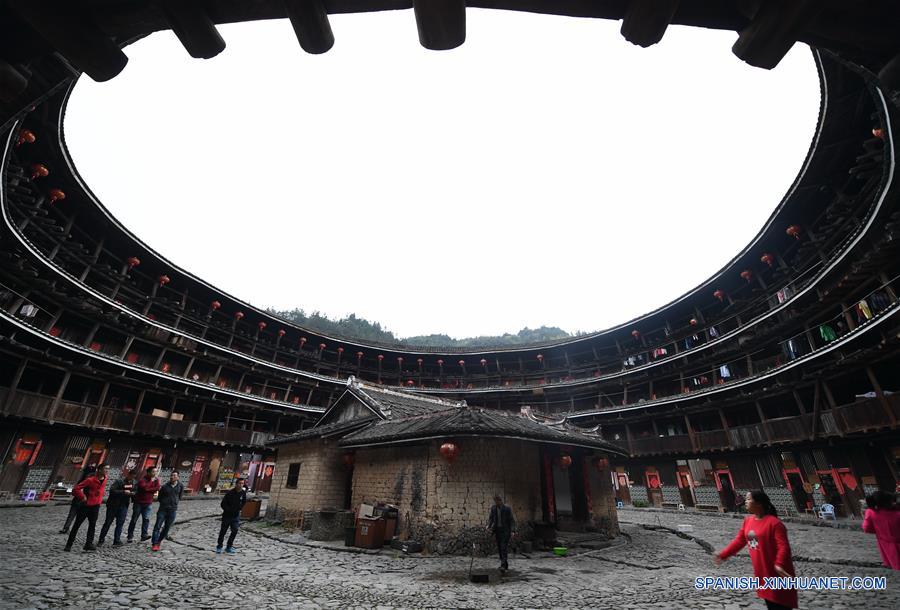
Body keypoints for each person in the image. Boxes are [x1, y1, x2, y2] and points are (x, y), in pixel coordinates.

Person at [715, 490, 797, 610]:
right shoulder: (748, 521)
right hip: (762, 573)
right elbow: (739, 541)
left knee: (780, 605)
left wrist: (779, 564)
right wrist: (723, 555)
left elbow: (783, 546)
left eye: (748, 499)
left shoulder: (774, 524)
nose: (745, 502)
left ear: (759, 503)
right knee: (770, 603)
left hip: (777, 574)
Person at [64, 464, 109, 552]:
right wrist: (83, 497)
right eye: (105, 469)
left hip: (96, 506)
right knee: (77, 525)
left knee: (92, 526)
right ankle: (69, 544)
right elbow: (76, 489)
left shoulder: (105, 478)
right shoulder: (90, 480)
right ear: (99, 470)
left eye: (108, 469)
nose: (107, 470)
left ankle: (88, 543)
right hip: (86, 505)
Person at [97, 469, 137, 547]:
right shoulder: (119, 481)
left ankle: (117, 540)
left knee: (120, 524)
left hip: (124, 506)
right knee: (108, 522)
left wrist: (133, 494)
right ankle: (101, 539)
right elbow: (112, 490)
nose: (132, 479)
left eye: (133, 478)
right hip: (113, 505)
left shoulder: (134, 483)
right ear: (128, 475)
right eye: (131, 477)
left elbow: (135, 491)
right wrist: (123, 492)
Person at [862, 491, 900, 570]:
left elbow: (866, 528)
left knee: (895, 564)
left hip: (885, 543)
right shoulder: (897, 514)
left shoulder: (870, 513)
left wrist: (879, 532)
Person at [151, 471, 184, 551]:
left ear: (178, 477)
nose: (172, 477)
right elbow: (160, 497)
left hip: (172, 510)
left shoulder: (180, 486)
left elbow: (180, 496)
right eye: (171, 475)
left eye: (174, 475)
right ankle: (154, 543)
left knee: (167, 527)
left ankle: (159, 541)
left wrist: (175, 502)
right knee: (157, 526)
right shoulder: (165, 486)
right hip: (163, 509)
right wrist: (164, 502)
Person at [59, 465, 95, 534]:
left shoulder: (83, 481)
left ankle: (67, 528)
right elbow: (75, 490)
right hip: (81, 501)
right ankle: (67, 528)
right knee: (73, 515)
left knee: (74, 516)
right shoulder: (88, 482)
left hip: (81, 501)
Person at [127, 466, 160, 543]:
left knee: (146, 519)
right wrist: (151, 486)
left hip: (148, 503)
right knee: (134, 520)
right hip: (139, 503)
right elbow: (144, 488)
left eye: (156, 471)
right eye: (153, 472)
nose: (155, 473)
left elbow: (157, 488)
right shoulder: (142, 480)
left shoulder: (156, 480)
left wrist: (150, 489)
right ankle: (130, 536)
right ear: (148, 472)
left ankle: (144, 535)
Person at [216, 476, 247, 554]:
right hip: (227, 516)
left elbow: (244, 502)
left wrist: (239, 508)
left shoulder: (243, 493)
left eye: (242, 483)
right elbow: (223, 504)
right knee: (223, 531)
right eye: (239, 483)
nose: (241, 485)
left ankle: (229, 546)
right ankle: (219, 546)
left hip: (235, 516)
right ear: (236, 484)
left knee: (235, 530)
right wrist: (228, 510)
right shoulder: (230, 493)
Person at [486, 494, 516, 571]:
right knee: (500, 548)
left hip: (505, 531)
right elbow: (491, 518)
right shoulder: (493, 509)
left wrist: (513, 531)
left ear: (500, 501)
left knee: (503, 547)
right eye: (495, 501)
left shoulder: (507, 509)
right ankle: (505, 564)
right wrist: (488, 526)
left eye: (497, 501)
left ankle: (503, 565)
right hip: (497, 531)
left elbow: (512, 520)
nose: (496, 503)